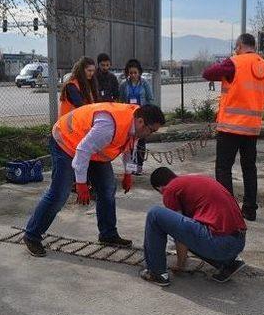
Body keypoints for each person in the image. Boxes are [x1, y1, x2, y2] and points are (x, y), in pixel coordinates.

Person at [23, 103, 166, 257]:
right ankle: (32, 235)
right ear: (140, 122)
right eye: (151, 130)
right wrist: (81, 184)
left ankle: (108, 234)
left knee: (107, 188)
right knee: (59, 194)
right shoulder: (108, 127)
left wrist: (128, 173)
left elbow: (130, 146)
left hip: (92, 148)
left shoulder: (135, 123)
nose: (150, 134)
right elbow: (82, 152)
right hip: (66, 141)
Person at [202, 33, 264, 221]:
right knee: (249, 168)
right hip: (251, 129)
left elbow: (207, 74)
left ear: (239, 46)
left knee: (223, 169)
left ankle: (229, 210)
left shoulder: (234, 63)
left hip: (230, 128)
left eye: (236, 47)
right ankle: (250, 209)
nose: (235, 50)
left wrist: (228, 62)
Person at [140, 167, 247, 286]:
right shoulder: (191, 181)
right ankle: (230, 263)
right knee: (194, 227)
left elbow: (179, 234)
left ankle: (156, 272)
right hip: (238, 241)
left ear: (159, 188)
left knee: (155, 214)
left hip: (218, 242)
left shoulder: (170, 189)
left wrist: (180, 265)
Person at [119, 59, 154, 175]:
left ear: (139, 72)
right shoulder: (124, 85)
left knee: (141, 141)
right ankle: (131, 166)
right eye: (131, 73)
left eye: (135, 72)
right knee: (129, 142)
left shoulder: (145, 84)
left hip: (142, 116)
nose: (133, 75)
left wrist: (148, 114)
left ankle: (139, 165)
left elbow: (150, 99)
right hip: (129, 117)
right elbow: (121, 100)